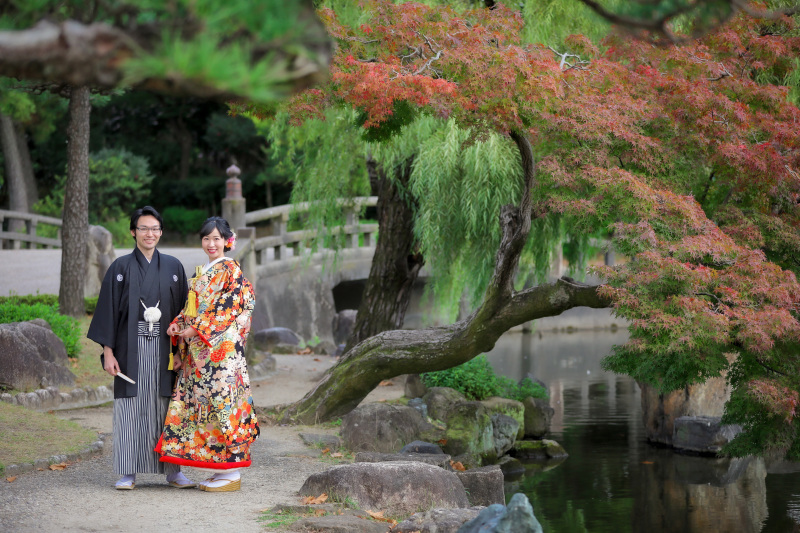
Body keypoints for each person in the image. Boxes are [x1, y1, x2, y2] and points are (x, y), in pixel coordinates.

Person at [87, 206, 195, 490]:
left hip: (166, 349)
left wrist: (182, 352)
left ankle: (173, 470)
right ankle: (127, 471)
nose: (150, 233)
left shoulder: (173, 267)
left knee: (168, 407)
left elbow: (184, 313)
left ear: (161, 232)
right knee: (129, 408)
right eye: (144, 228)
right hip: (128, 350)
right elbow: (108, 313)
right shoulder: (120, 267)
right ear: (133, 231)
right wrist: (108, 354)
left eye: (155, 228)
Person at [156, 216, 258, 492]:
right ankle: (221, 468)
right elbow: (194, 307)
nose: (211, 243)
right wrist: (179, 326)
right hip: (201, 354)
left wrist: (195, 328)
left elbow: (229, 309)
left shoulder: (231, 270)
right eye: (206, 238)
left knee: (224, 406)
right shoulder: (204, 271)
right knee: (207, 408)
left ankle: (233, 471)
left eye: (217, 238)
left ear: (227, 241)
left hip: (221, 355)